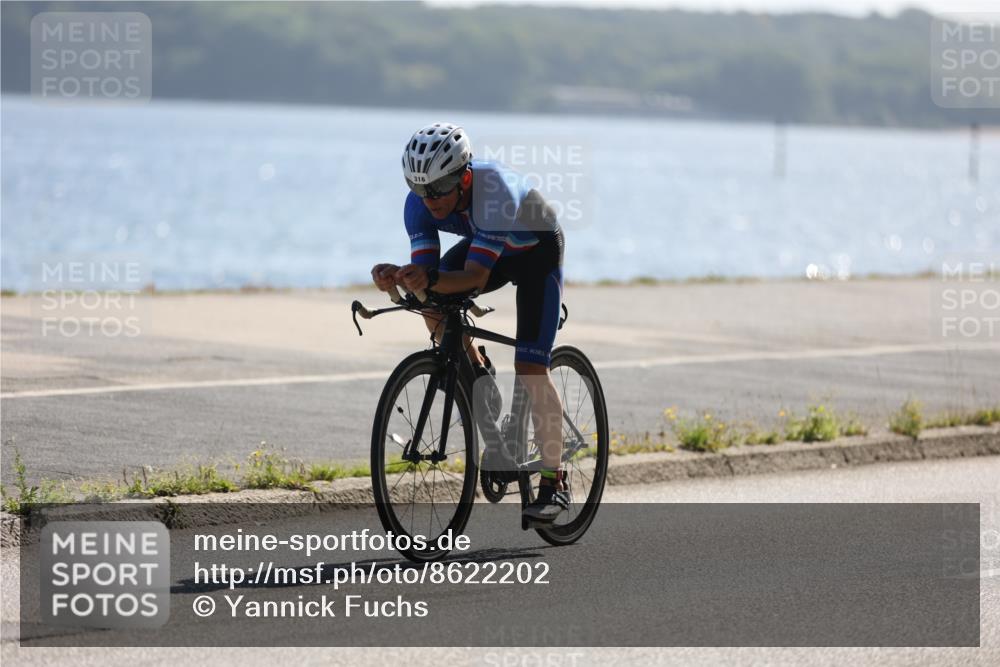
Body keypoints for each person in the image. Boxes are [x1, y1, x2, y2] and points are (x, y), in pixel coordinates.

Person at [371, 122, 568, 523]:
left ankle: (555, 481)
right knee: (432, 306)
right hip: (490, 247)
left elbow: (476, 277)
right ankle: (477, 375)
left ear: (463, 176)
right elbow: (429, 280)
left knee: (531, 368)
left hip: (536, 254)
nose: (430, 200)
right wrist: (401, 277)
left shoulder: (492, 192)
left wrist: (426, 278)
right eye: (419, 188)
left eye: (439, 189)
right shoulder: (418, 204)